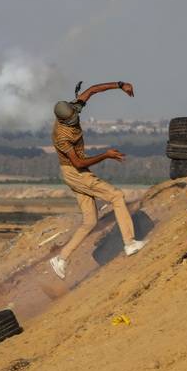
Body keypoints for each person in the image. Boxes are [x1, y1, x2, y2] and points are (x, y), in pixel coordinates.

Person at [48, 80, 145, 279]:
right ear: (64, 121)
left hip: (74, 172)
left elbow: (92, 90)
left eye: (76, 115)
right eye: (72, 119)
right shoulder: (61, 136)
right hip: (76, 172)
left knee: (90, 221)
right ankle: (130, 243)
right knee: (116, 196)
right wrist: (105, 155)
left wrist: (120, 84)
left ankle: (61, 259)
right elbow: (79, 163)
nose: (76, 119)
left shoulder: (72, 108)